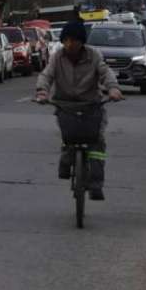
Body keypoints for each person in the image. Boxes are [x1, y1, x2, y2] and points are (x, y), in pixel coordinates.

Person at [35, 19, 123, 201]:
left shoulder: (94, 55)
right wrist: (42, 92)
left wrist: (113, 89)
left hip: (91, 104)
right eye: (66, 40)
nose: (69, 44)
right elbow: (46, 75)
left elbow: (105, 73)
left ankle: (96, 184)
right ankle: (66, 161)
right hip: (65, 105)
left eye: (74, 40)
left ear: (81, 41)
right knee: (69, 137)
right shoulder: (57, 57)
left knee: (97, 143)